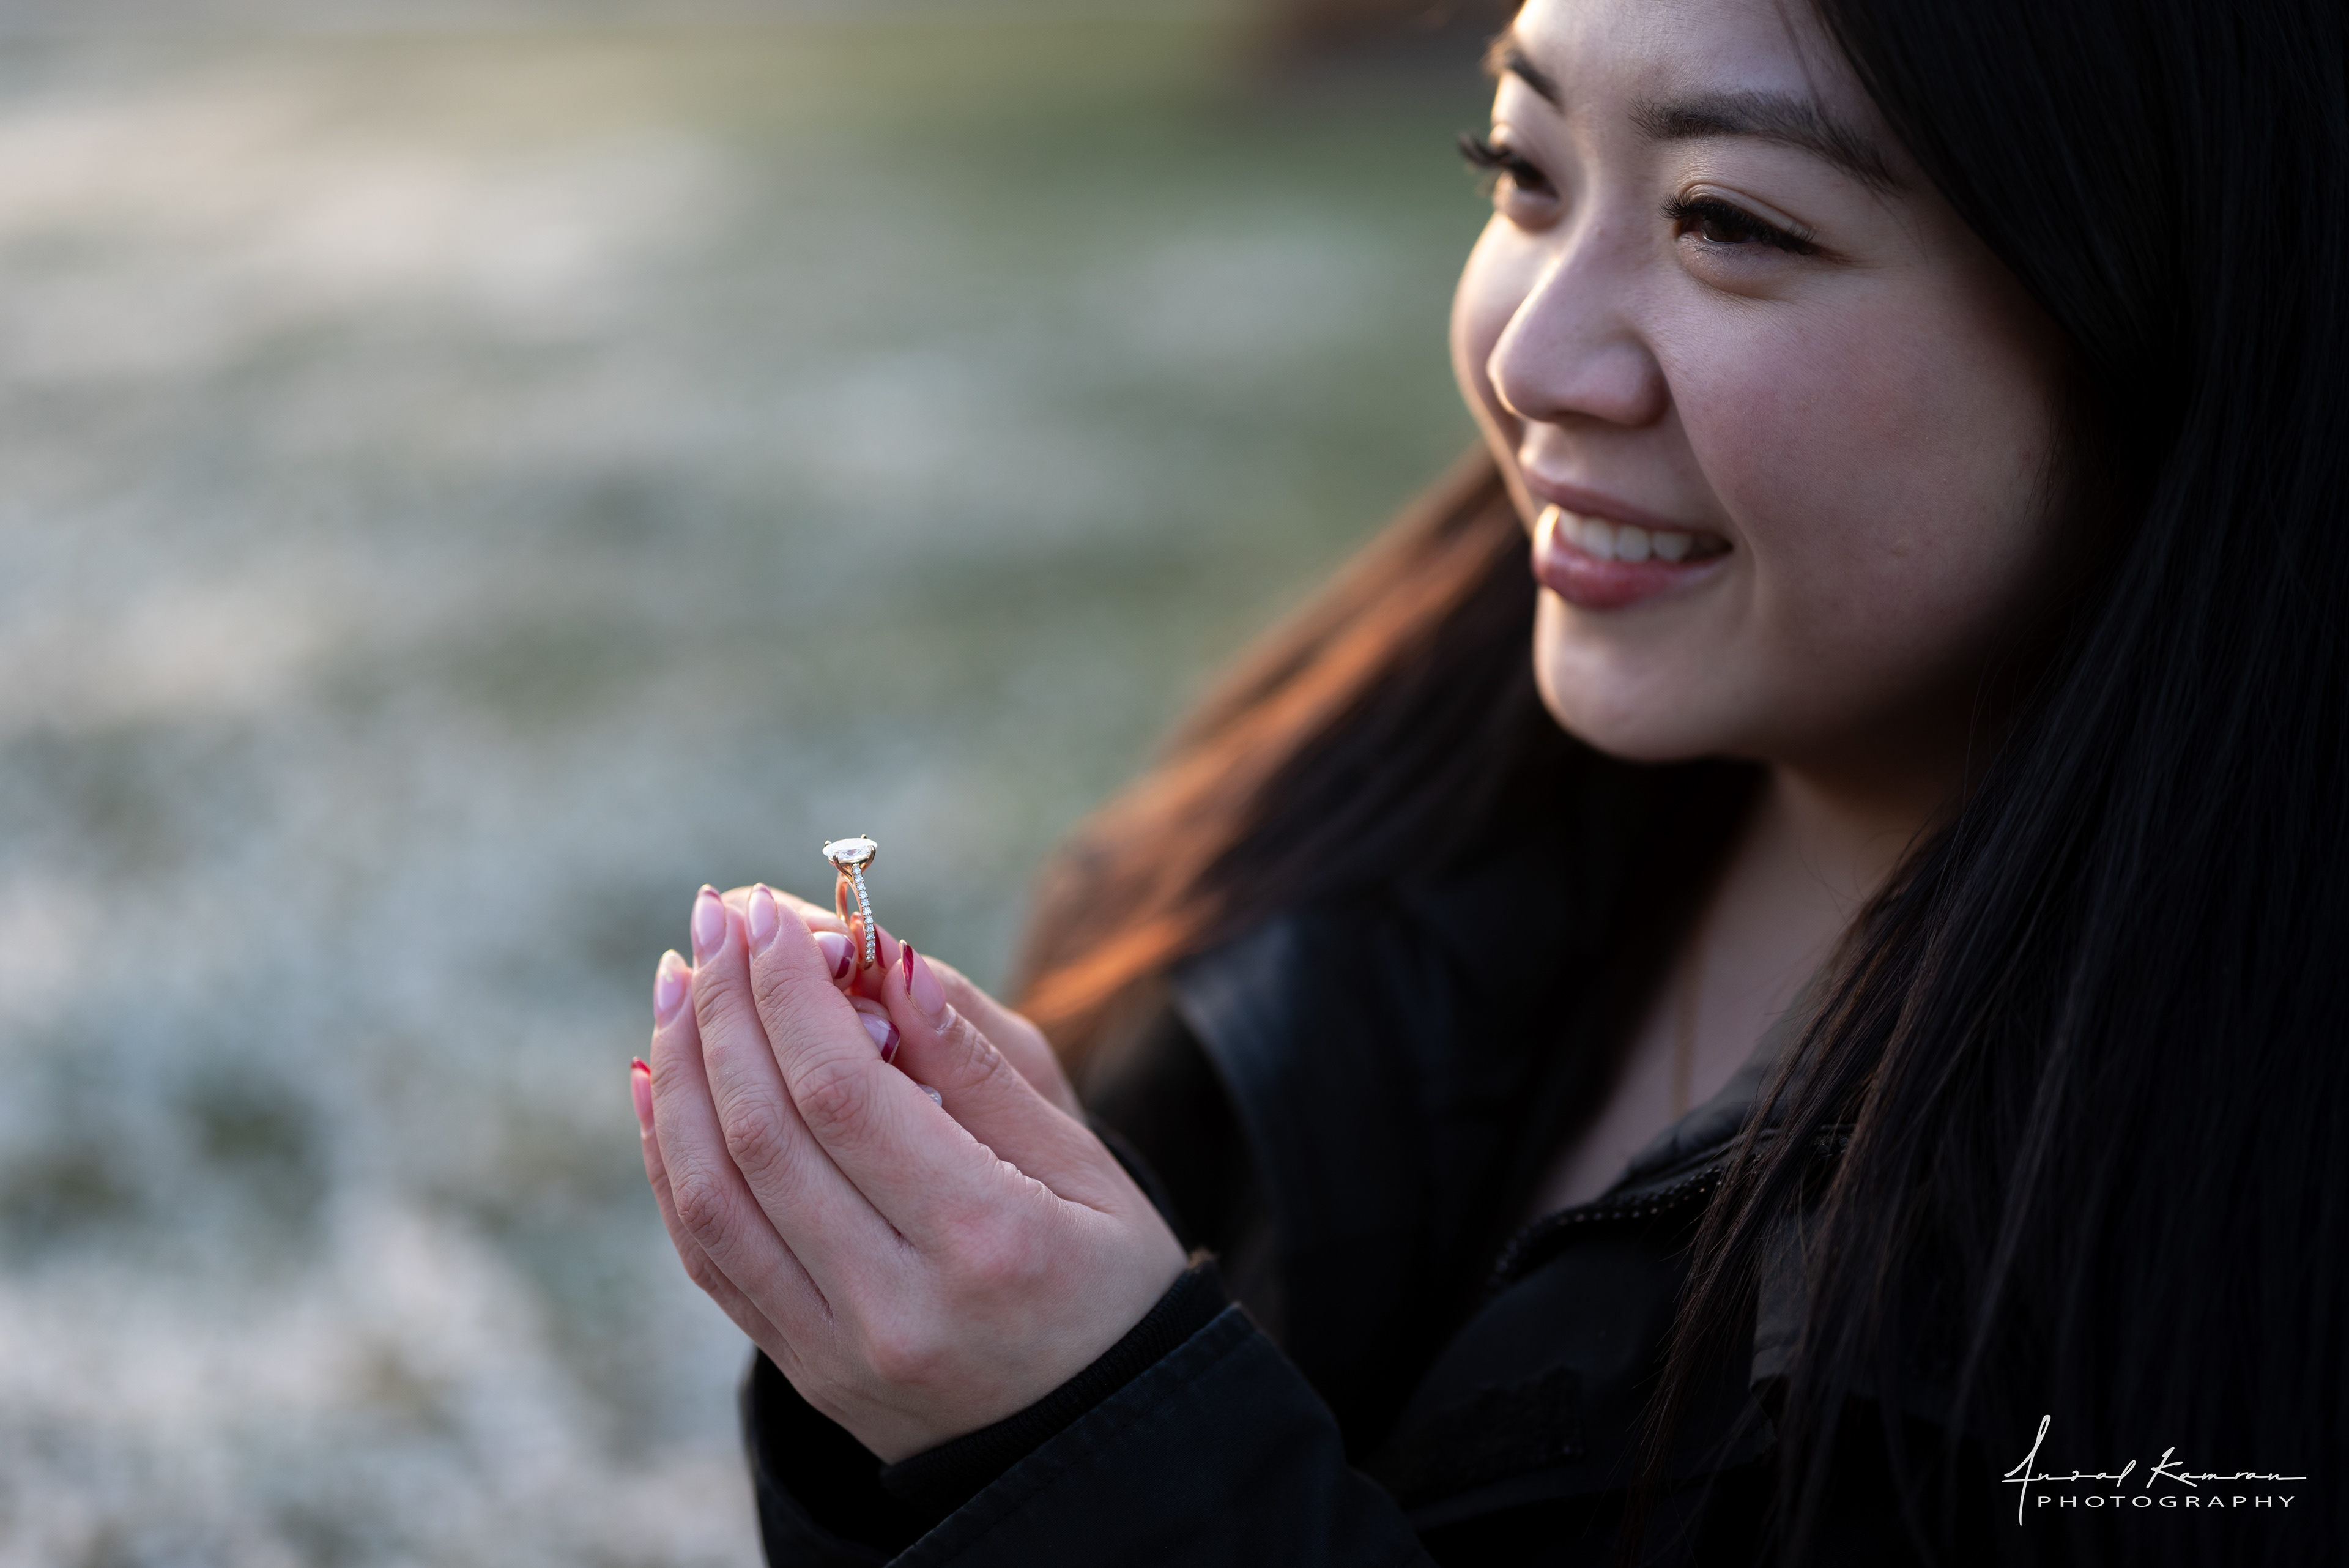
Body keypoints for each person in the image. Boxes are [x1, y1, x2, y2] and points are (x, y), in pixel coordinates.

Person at [627, 0, 2347, 1559]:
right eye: (1525, 173)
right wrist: (944, 1406)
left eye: (1731, 222)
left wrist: (1093, 1455)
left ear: (2168, 303)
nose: (1529, 359)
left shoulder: (2221, 1289)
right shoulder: (1355, 814)